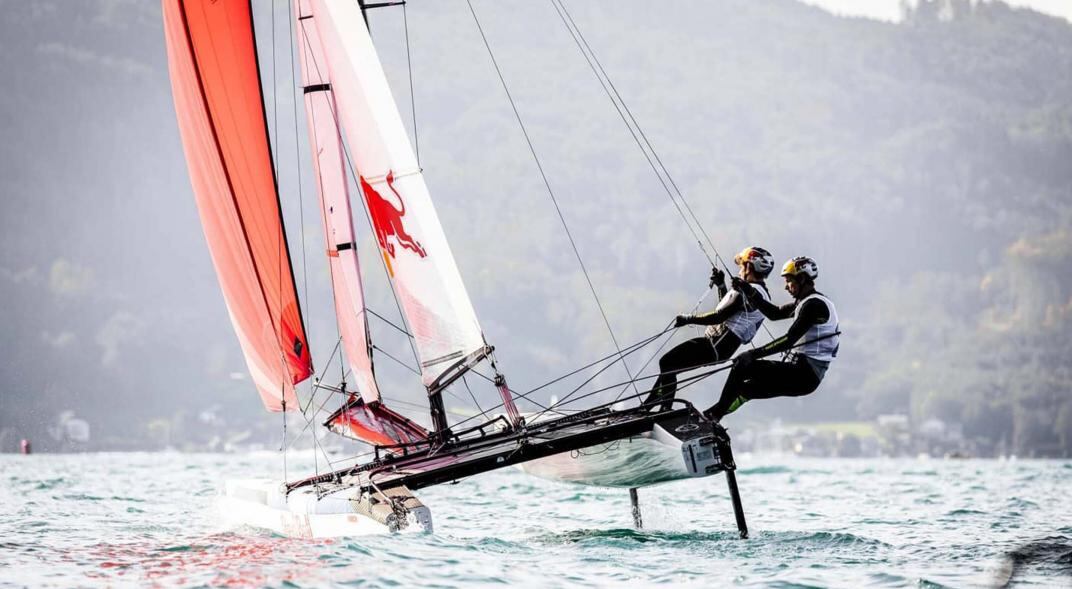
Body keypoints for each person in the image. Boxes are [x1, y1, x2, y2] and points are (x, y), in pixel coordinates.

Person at [703, 256, 840, 422]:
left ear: (802, 279)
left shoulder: (814, 305)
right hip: (805, 376)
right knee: (747, 389)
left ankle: (712, 416)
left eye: (789, 280)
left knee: (743, 366)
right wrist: (748, 290)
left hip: (804, 374)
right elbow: (774, 314)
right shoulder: (806, 302)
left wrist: (752, 354)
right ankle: (710, 417)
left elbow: (789, 339)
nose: (786, 287)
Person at [643, 246, 774, 411]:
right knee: (670, 365)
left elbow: (720, 317)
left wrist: (688, 319)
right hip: (719, 347)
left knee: (667, 362)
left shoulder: (749, 292)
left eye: (742, 265)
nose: (740, 269)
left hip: (715, 344)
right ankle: (648, 407)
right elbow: (729, 312)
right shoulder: (758, 293)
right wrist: (721, 286)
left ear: (749, 266)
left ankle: (663, 409)